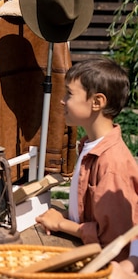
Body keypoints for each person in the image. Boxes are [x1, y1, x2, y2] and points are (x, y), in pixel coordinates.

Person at [35, 57, 138, 262]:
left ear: (97, 102)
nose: (62, 100)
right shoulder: (89, 146)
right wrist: (66, 216)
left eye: (70, 94)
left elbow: (113, 240)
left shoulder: (112, 165)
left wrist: (62, 224)